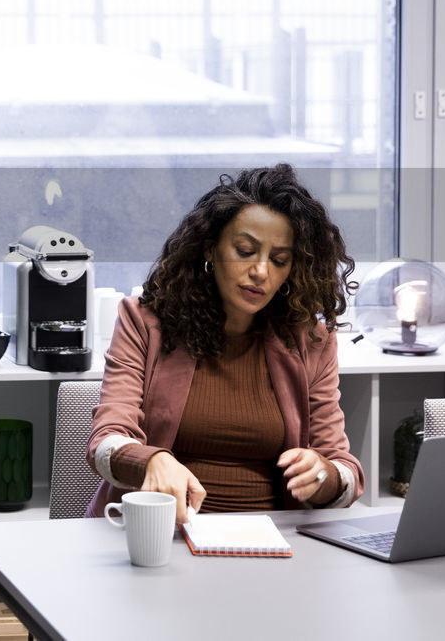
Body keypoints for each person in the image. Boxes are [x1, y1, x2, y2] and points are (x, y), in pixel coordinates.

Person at [86, 164, 364, 523]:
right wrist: (150, 460)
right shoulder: (145, 322)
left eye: (279, 260)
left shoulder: (310, 340)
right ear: (209, 250)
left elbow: (345, 472)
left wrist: (324, 474)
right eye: (245, 251)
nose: (261, 271)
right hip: (160, 533)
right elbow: (106, 440)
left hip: (272, 543)